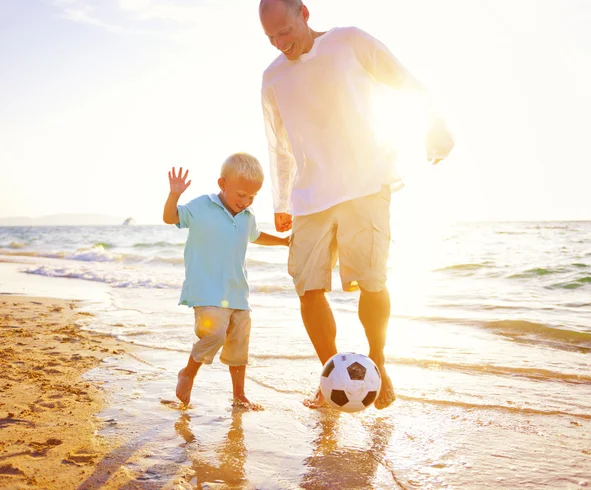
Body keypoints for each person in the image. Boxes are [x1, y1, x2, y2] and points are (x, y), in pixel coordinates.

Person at [259, 0, 454, 409]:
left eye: (284, 32)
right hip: (310, 195)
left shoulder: (348, 41)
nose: (280, 43)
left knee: (372, 280)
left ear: (304, 14)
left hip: (366, 182)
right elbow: (278, 144)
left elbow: (402, 80)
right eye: (271, 37)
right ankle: (332, 375)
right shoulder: (273, 76)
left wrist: (435, 125)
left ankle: (377, 366)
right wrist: (281, 200)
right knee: (308, 289)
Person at [163, 153, 289, 409]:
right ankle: (188, 372)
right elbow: (170, 217)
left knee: (239, 346)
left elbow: (255, 236)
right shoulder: (201, 206)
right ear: (222, 184)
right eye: (241, 194)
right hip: (206, 290)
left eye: (252, 197)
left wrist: (282, 241)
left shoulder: (248, 216)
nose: (245, 201)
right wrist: (175, 194)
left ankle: (239, 395)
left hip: (238, 293)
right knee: (214, 334)